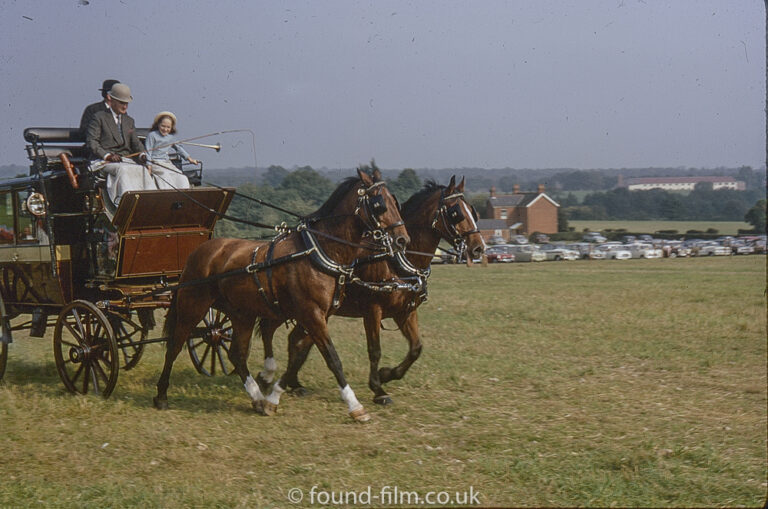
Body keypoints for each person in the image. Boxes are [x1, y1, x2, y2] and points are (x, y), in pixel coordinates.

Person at [86, 83, 154, 206]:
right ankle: (125, 205)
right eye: (122, 102)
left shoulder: (129, 121)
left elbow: (136, 143)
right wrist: (107, 156)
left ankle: (148, 204)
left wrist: (142, 155)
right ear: (112, 101)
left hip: (126, 160)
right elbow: (92, 142)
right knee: (123, 170)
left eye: (127, 103)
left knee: (143, 170)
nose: (125, 106)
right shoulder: (99, 117)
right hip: (103, 162)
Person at [144, 111, 197, 190]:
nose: (165, 129)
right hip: (155, 163)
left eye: (168, 127)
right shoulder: (152, 135)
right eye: (163, 126)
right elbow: (148, 151)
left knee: (181, 176)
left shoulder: (171, 138)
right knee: (165, 175)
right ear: (158, 124)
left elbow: (179, 148)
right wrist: (149, 166)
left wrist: (189, 159)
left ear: (171, 127)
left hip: (167, 163)